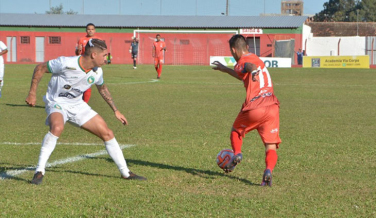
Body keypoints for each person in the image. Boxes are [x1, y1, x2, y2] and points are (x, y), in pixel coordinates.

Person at [25, 39, 146, 185]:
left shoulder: (97, 72)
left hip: (77, 105)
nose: (107, 58)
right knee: (57, 127)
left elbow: (102, 89)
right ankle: (39, 171)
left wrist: (116, 110)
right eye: (105, 55)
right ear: (94, 55)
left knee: (107, 133)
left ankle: (126, 173)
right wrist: (32, 93)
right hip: (57, 103)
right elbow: (40, 67)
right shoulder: (66, 63)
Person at [212, 35, 281, 187]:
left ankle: (237, 154)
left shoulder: (241, 61)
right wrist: (225, 69)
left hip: (256, 106)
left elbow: (247, 67)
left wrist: (253, 71)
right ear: (247, 47)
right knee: (270, 145)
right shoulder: (256, 57)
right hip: (272, 106)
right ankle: (268, 171)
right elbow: (243, 74)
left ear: (233, 50)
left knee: (235, 131)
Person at [75, 23, 101, 103]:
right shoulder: (81, 40)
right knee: (80, 84)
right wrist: (78, 50)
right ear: (86, 30)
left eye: (92, 29)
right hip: (83, 65)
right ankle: (80, 102)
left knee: (88, 84)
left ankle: (84, 103)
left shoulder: (98, 40)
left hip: (93, 65)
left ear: (95, 30)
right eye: (89, 29)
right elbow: (77, 53)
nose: (90, 31)